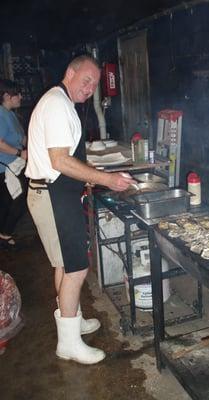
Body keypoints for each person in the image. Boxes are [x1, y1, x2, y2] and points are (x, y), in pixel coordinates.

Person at [25, 55, 135, 365]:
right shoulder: (58, 105)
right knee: (76, 268)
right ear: (69, 72)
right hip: (52, 195)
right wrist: (107, 179)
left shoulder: (59, 100)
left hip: (53, 193)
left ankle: (71, 318)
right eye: (85, 81)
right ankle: (68, 343)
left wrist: (93, 172)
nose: (89, 89)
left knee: (64, 264)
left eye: (95, 85)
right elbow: (60, 161)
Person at [0, 79, 27, 249]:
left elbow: (21, 137)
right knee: (21, 200)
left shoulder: (10, 114)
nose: (21, 97)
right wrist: (19, 152)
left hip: (14, 165)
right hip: (4, 167)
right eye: (17, 94)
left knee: (8, 203)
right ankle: (5, 235)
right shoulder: (1, 114)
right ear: (6, 96)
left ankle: (4, 235)